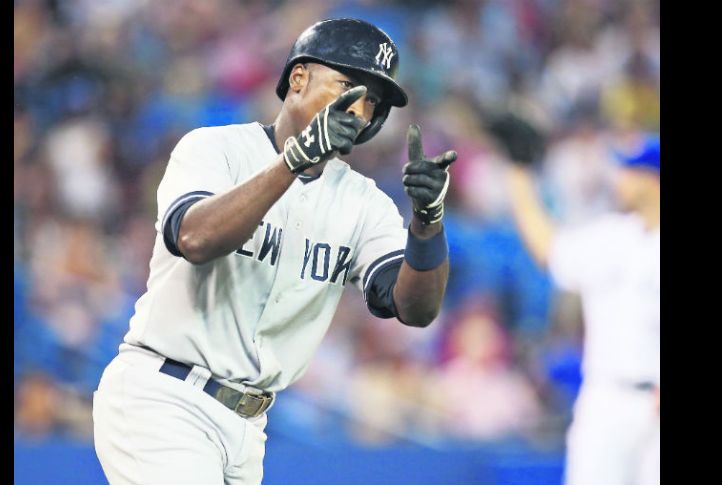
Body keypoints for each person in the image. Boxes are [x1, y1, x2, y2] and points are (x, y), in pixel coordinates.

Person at [92, 18, 458, 485]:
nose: (360, 108)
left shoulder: (365, 204)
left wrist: (428, 222)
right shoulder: (215, 149)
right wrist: (294, 161)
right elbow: (194, 239)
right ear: (298, 78)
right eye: (347, 85)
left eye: (373, 99)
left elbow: (415, 309)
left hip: (249, 427)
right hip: (165, 397)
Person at [489, 114, 659, 485]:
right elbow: (548, 248)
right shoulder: (613, 237)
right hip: (607, 397)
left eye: (630, 170)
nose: (620, 178)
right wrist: (519, 173)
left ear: (652, 179)